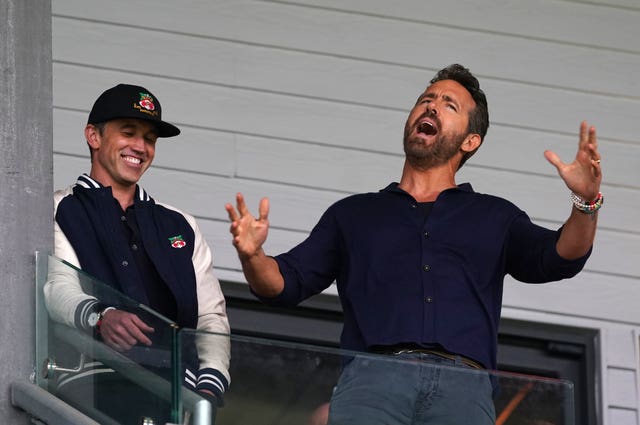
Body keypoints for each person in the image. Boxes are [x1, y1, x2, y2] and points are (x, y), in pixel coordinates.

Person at [225, 64, 602, 424]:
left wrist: (586, 202)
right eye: (426, 99)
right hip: (373, 383)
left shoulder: (496, 216)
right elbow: (282, 284)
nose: (431, 105)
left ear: (471, 141)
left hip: (464, 389)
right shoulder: (354, 214)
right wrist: (253, 255)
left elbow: (560, 257)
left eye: (448, 105)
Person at [45, 83, 230, 424]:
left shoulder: (181, 224)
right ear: (93, 136)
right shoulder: (57, 207)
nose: (140, 147)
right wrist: (100, 316)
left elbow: (210, 318)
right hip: (89, 393)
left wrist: (207, 390)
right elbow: (57, 285)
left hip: (175, 399)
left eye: (150, 138)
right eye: (128, 132)